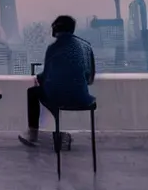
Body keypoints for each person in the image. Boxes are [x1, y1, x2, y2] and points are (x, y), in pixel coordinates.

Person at [19, 15, 95, 147]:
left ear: (55, 28)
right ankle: (58, 134)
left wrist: (40, 78)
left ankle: (33, 135)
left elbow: (45, 76)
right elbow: (90, 78)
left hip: (58, 98)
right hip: (82, 98)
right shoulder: (86, 47)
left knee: (33, 92)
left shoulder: (53, 48)